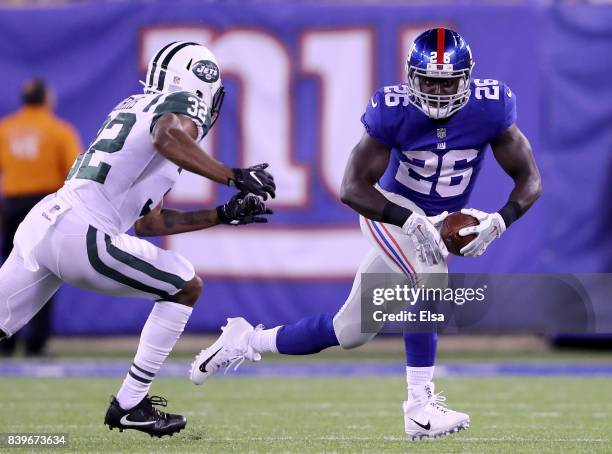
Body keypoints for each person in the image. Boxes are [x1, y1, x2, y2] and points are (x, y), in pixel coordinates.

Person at [189, 28, 542, 441]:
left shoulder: (491, 107)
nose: (438, 91)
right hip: (388, 211)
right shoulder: (392, 111)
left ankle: (245, 340)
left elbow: (530, 179)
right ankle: (419, 408)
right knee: (431, 275)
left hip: (435, 216)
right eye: (429, 80)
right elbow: (353, 187)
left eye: (447, 81)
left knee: (349, 332)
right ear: (412, 77)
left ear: (467, 78)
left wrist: (501, 220)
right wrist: (406, 220)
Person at [0, 41, 275, 437]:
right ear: (201, 82)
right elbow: (167, 136)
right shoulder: (181, 106)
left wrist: (222, 214)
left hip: (44, 222)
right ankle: (130, 402)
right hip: (83, 231)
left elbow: (150, 224)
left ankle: (131, 403)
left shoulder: (134, 106)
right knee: (184, 283)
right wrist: (231, 174)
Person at [0, 79, 81, 357]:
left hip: (11, 206)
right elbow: (75, 174)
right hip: (46, 206)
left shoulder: (6, 129)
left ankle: (6, 341)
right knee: (45, 273)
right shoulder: (59, 131)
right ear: (46, 98)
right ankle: (37, 342)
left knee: (10, 271)